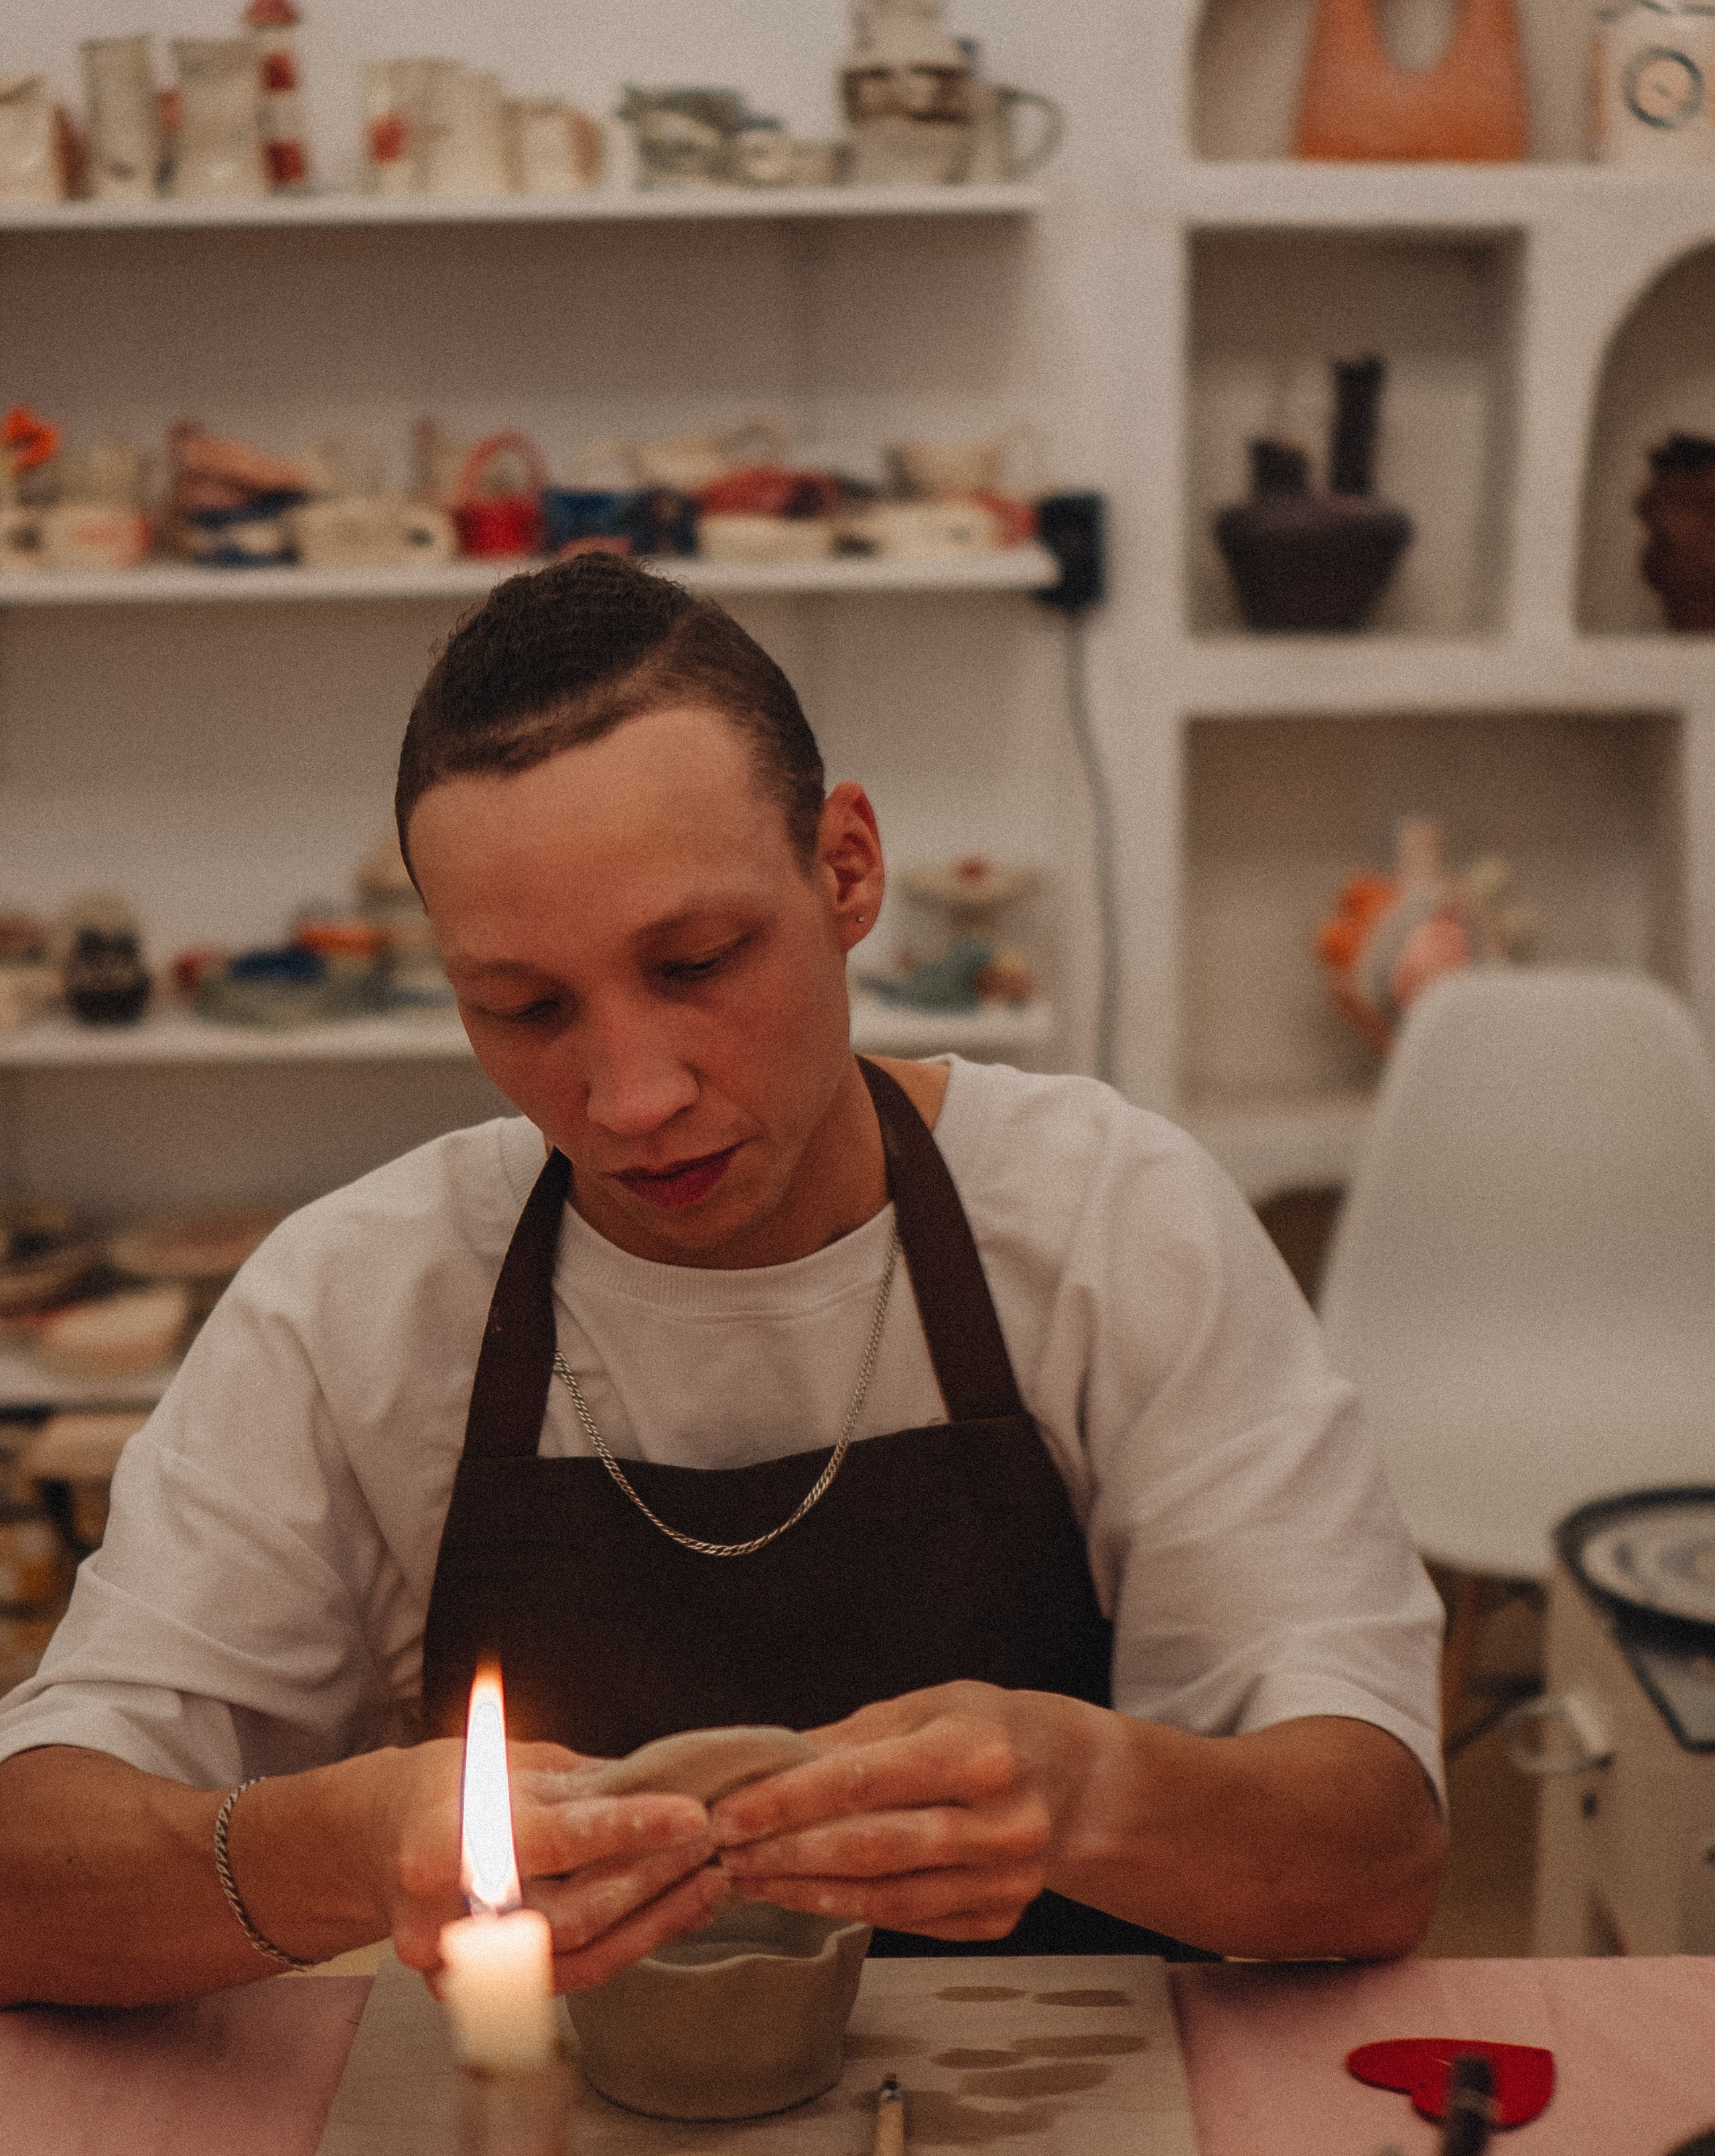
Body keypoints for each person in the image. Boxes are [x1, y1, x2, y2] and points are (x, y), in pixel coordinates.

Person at [0, 555, 1444, 2009]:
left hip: (1059, 2128)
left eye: (692, 964)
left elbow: (1376, 1849)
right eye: (524, 1008)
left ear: (845, 869)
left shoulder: (1110, 1226)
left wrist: (1095, 1795)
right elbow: (29, 1876)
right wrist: (338, 1846)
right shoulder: (356, 1302)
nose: (630, 1096)